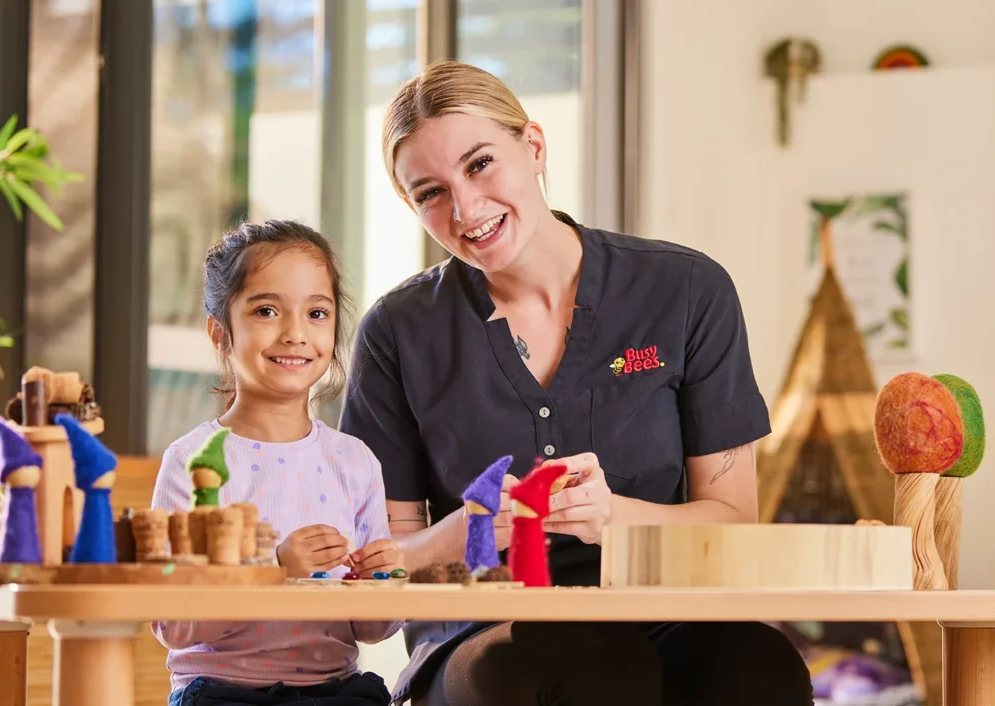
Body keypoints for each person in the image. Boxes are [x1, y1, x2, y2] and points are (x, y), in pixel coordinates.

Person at [339, 60, 814, 706]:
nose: (466, 208)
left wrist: (612, 515)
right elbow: (379, 570)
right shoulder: (398, 334)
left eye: (480, 164)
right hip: (482, 636)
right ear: (410, 205)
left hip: (664, 616)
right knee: (591, 665)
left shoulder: (686, 292)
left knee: (761, 666)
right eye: (430, 192)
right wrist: (466, 531)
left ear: (533, 146)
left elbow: (732, 523)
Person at [152, 220, 403, 706]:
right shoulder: (191, 462)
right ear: (219, 333)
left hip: (336, 691)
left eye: (316, 313)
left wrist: (386, 580)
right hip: (222, 694)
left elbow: (375, 629)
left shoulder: (354, 461)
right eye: (267, 310)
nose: (295, 334)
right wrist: (274, 570)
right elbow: (172, 624)